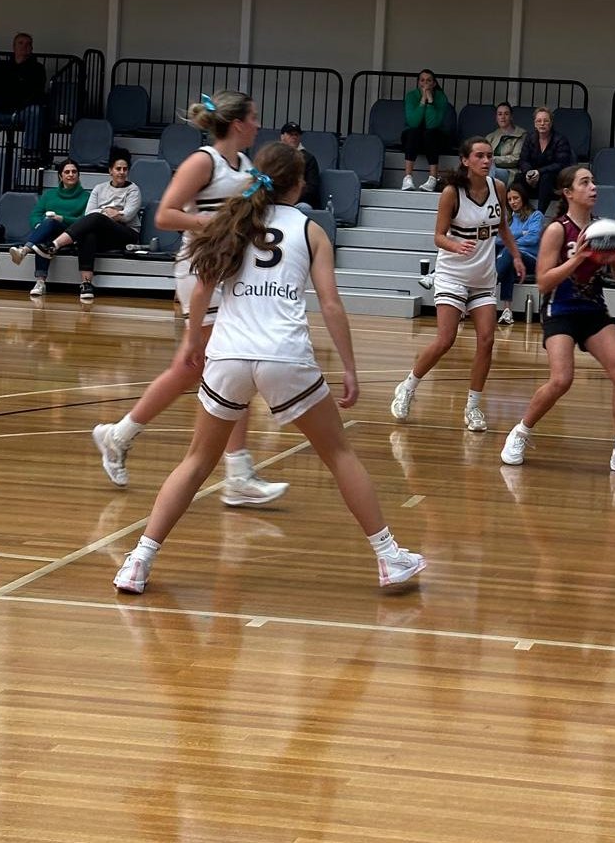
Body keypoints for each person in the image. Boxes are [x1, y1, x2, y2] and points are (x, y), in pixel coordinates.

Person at [112, 143, 425, 595]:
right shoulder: (310, 230)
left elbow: (201, 287)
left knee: (197, 461)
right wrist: (351, 368)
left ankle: (138, 561)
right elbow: (332, 305)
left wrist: (189, 341)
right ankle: (389, 557)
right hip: (285, 355)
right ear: (299, 184)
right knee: (339, 455)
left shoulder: (232, 222)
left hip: (230, 354)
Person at [91, 91, 288, 508]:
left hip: (230, 267)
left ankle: (119, 435)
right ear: (237, 124)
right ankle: (236, 472)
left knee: (197, 368)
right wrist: (210, 222)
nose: (258, 124)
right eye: (253, 117)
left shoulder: (246, 164)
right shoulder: (204, 161)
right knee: (223, 364)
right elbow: (164, 215)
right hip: (200, 267)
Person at [500, 164, 615, 476]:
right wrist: (579, 258)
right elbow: (543, 282)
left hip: (593, 309)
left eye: (593, 181)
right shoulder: (557, 230)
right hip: (561, 310)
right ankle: (520, 432)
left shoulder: (602, 229)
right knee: (561, 379)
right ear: (568, 193)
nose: (593, 187)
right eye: (585, 182)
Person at [390, 137, 524, 432]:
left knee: (487, 341)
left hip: (483, 278)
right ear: (465, 160)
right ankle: (409, 386)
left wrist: (515, 256)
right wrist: (455, 245)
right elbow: (438, 236)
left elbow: (502, 226)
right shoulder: (452, 193)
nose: (487, 161)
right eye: (480, 156)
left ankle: (473, 407)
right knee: (445, 339)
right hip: (452, 274)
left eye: (490, 155)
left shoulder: (498, 188)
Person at [34, 150, 141, 303]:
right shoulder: (99, 188)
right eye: (118, 169)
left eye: (125, 169)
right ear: (110, 170)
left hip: (127, 233)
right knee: (88, 233)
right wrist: (110, 212)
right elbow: (89, 213)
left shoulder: (133, 190)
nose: (122, 172)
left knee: (96, 219)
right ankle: (86, 284)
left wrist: (105, 214)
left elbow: (128, 216)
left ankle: (53, 245)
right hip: (104, 235)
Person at [9, 158, 90, 297]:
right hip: (50, 233)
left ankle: (24, 250)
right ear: (60, 176)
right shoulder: (49, 195)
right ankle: (40, 282)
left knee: (51, 222)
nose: (71, 174)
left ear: (78, 175)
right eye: (67, 172)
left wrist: (62, 218)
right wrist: (40, 226)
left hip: (71, 234)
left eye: (74, 172)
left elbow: (84, 220)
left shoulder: (87, 196)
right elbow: (35, 215)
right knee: (45, 233)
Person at [497, 180, 543, 325]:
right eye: (509, 199)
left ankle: (488, 284)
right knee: (509, 259)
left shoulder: (536, 215)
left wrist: (510, 240)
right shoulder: (506, 218)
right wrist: (520, 234)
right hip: (511, 258)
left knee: (510, 252)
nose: (512, 202)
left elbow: (533, 237)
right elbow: (497, 239)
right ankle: (507, 311)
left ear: (523, 197)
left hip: (531, 259)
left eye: (516, 198)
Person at [401, 69, 449, 192]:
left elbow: (433, 124)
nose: (425, 84)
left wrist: (431, 101)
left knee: (430, 133)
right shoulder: (411, 96)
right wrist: (423, 100)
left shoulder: (441, 97)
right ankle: (407, 178)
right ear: (418, 83)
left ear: (434, 83)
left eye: (429, 81)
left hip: (434, 138)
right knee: (413, 132)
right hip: (413, 138)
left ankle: (432, 178)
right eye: (422, 80)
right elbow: (413, 122)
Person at [518, 107, 573, 211]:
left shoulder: (560, 139)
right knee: (518, 179)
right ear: (535, 124)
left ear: (551, 123)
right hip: (533, 179)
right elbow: (523, 160)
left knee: (546, 177)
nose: (542, 124)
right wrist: (529, 173)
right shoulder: (530, 138)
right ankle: (519, 214)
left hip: (553, 181)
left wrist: (539, 172)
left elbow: (561, 164)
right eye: (539, 121)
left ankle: (539, 215)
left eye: (546, 121)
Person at [279, 121, 321, 208]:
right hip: (278, 200)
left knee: (304, 207)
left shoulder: (309, 158)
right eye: (290, 134)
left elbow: (312, 187)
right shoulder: (275, 156)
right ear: (282, 136)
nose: (294, 137)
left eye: (297, 135)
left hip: (300, 201)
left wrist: (291, 197)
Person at [486, 101, 526, 183]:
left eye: (506, 114)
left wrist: (493, 160)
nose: (502, 117)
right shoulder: (491, 136)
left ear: (511, 117)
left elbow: (516, 158)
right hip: (490, 166)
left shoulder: (521, 135)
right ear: (496, 117)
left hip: (509, 171)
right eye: (500, 114)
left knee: (489, 169)